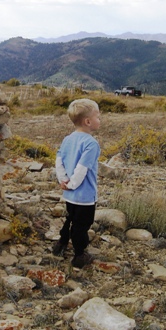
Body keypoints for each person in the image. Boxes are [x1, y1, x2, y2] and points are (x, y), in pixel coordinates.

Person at [53, 98, 101, 268]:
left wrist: (64, 181)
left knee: (70, 218)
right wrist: (73, 183)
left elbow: (59, 160)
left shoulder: (68, 139)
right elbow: (82, 168)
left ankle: (61, 244)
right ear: (88, 121)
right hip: (85, 194)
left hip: (69, 193)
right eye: (97, 117)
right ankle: (80, 255)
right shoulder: (91, 143)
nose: (99, 120)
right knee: (82, 225)